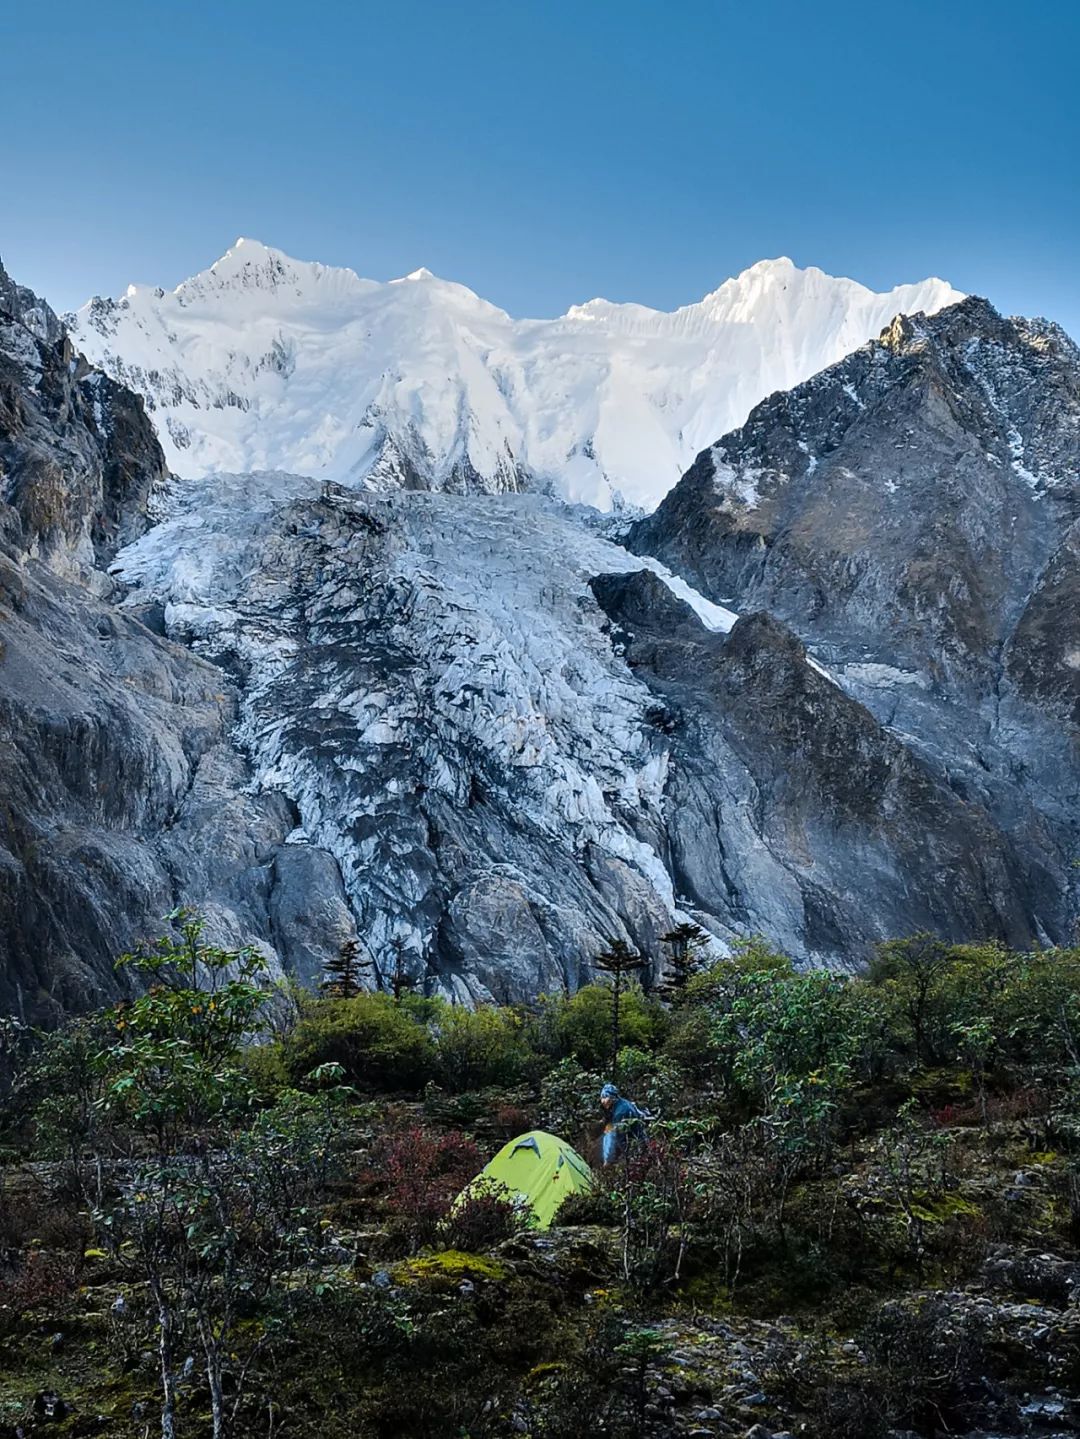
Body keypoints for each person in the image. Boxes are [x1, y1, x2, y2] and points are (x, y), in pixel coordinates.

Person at [599, 1081, 648, 1165]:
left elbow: (619, 1138)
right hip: (639, 1138)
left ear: (612, 1097)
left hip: (636, 1144)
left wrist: (608, 1161)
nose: (603, 1101)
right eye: (602, 1097)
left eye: (605, 1097)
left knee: (608, 1135)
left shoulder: (620, 1112)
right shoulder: (622, 1103)